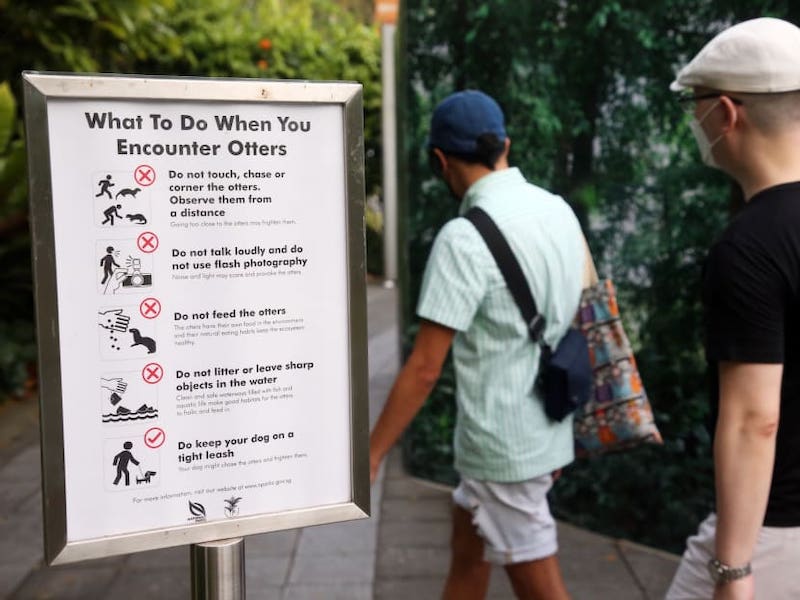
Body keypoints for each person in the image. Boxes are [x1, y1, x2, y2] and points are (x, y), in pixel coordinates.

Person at [369, 90, 585, 600]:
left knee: (540, 586)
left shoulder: (463, 239)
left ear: (440, 160)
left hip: (503, 446)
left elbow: (425, 368)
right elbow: (579, 306)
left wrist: (373, 451)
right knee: (468, 558)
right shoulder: (557, 210)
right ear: (505, 145)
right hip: (548, 425)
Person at [665, 17, 800, 600]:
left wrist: (733, 571)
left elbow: (753, 420)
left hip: (775, 530)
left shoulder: (747, 248)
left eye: (696, 107)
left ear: (726, 111)